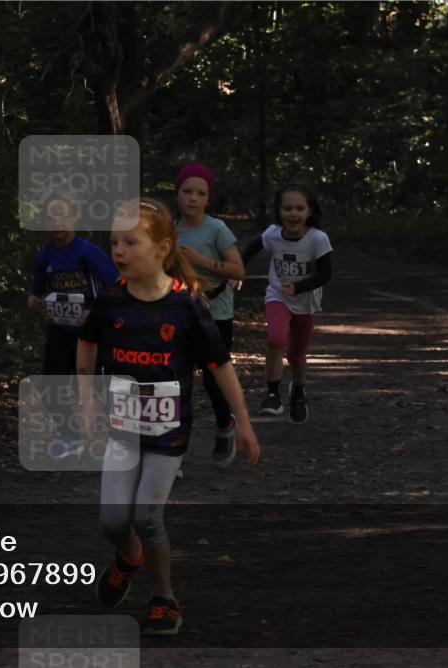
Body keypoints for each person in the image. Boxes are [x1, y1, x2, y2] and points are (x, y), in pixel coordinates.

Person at [77, 198, 261, 636]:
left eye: (129, 242)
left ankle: (164, 596)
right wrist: (85, 401)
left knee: (146, 516)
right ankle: (128, 558)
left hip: (167, 432)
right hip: (121, 429)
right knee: (112, 522)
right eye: (113, 243)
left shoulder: (187, 304)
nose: (118, 251)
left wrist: (244, 422)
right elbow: (85, 346)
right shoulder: (110, 300)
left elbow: (220, 365)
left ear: (161, 248)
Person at [29, 192, 119, 458]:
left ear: (75, 217)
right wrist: (38, 305)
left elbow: (115, 286)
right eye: (50, 217)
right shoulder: (45, 255)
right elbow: (36, 295)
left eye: (63, 215)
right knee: (51, 384)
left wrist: (93, 311)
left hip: (92, 332)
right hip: (61, 329)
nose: (57, 222)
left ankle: (108, 438)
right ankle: (71, 436)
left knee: (97, 385)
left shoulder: (88, 252)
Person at [173, 162, 246, 469]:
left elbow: (238, 269)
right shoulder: (169, 229)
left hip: (217, 314)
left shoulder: (217, 229)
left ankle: (224, 425)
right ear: (177, 195)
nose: (193, 198)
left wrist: (202, 261)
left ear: (208, 199)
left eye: (200, 193)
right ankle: (173, 451)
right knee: (178, 381)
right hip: (177, 314)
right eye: (187, 191)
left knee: (214, 378)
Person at [241, 183, 332, 425]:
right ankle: (272, 395)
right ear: (279, 211)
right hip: (278, 295)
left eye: (299, 208)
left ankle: (299, 392)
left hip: (305, 300)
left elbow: (325, 275)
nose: (293, 214)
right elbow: (251, 249)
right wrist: (236, 271)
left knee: (296, 354)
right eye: (287, 208)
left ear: (309, 211)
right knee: (276, 339)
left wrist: (300, 287)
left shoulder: (318, 239)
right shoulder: (272, 233)